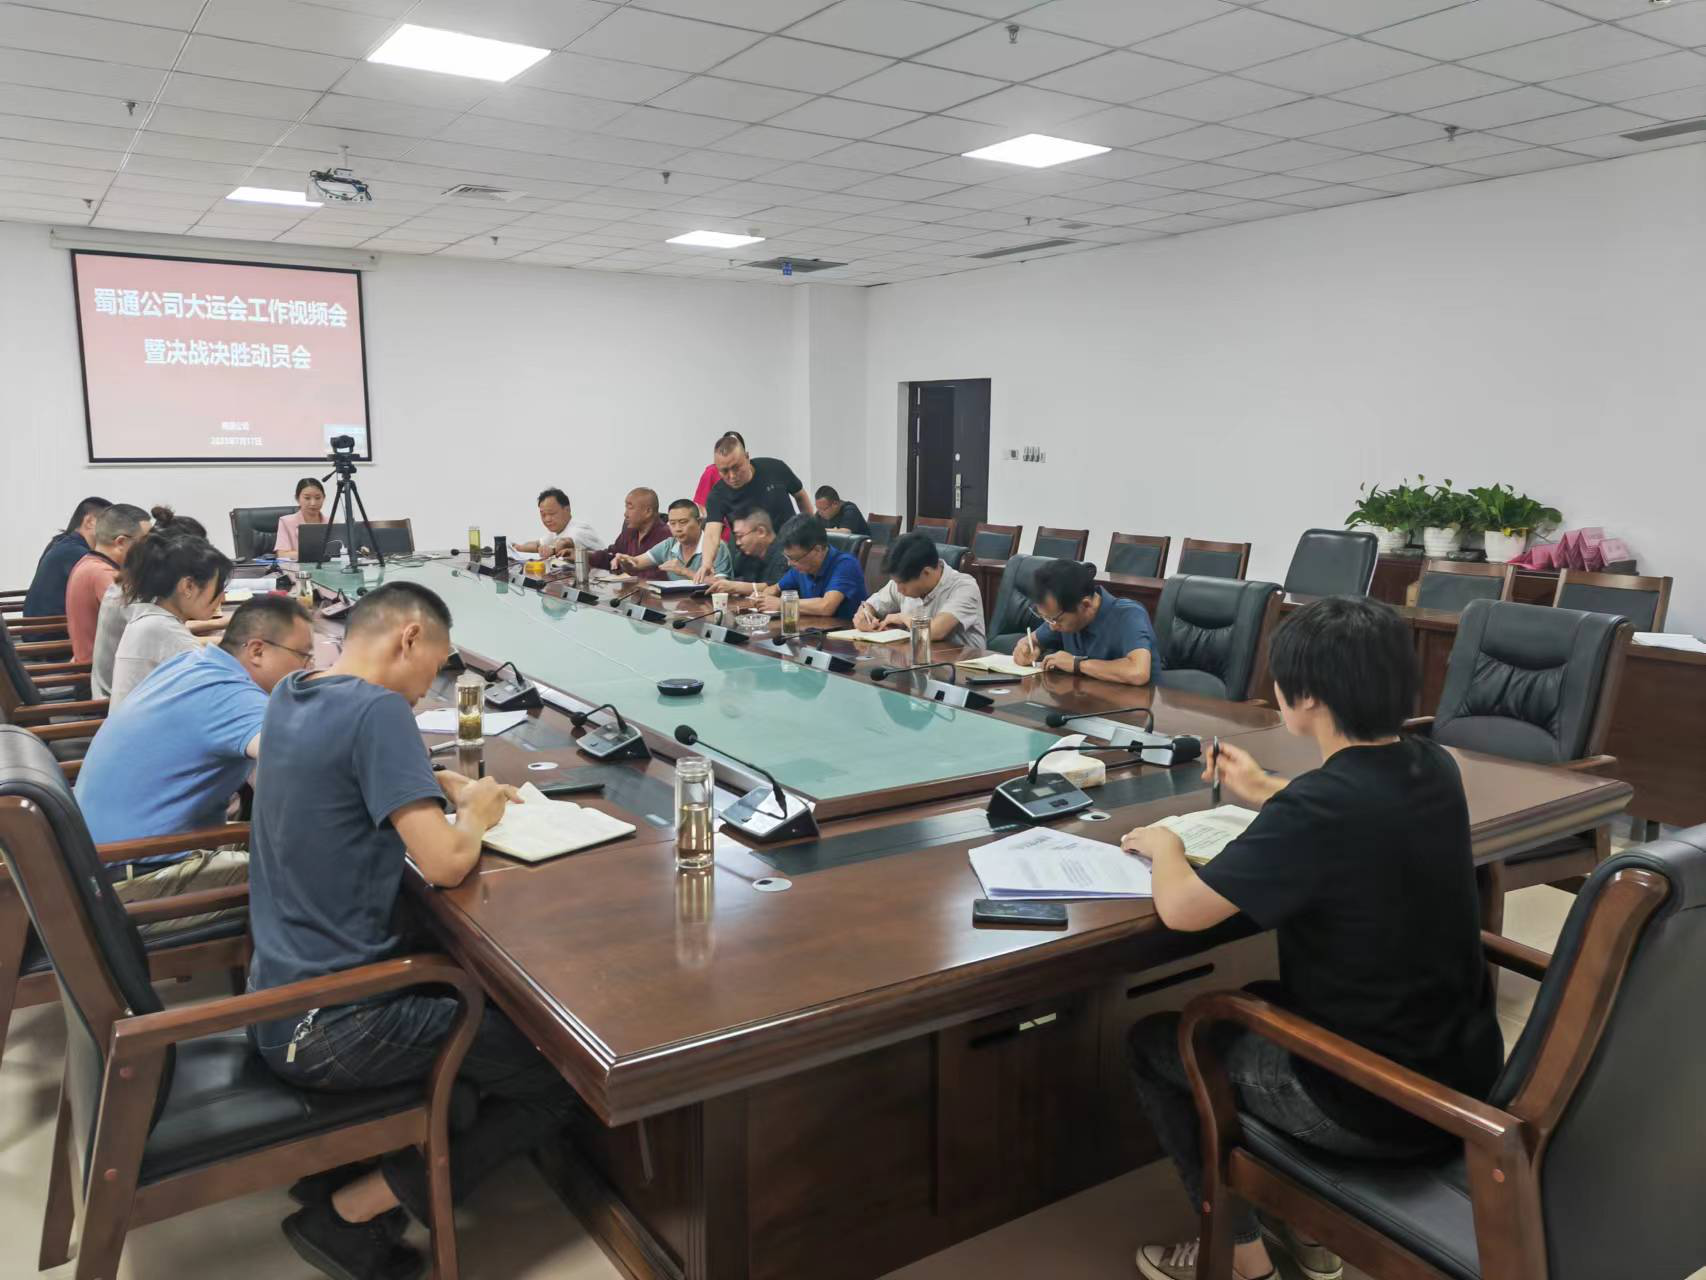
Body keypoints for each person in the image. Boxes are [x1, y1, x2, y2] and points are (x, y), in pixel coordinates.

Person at [1117, 597, 1503, 1280]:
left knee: (1160, 1042)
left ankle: (1241, 1258)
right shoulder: (1433, 765)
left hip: (1369, 1102)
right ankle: (1307, 1234)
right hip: (1460, 1075)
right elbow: (1353, 811)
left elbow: (1181, 910)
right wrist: (1264, 786)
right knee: (1259, 996)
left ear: (1309, 699)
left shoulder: (1318, 808)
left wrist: (1165, 843)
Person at [244, 582, 582, 1280]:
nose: (433, 684)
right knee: (557, 1073)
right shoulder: (379, 712)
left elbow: (339, 769)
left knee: (470, 1001)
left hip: (276, 997)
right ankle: (350, 1213)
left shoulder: (294, 692)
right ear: (409, 639)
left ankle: (365, 1163)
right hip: (334, 1025)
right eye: (438, 662)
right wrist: (477, 811)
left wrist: (437, 781)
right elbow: (447, 863)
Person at [74, 597, 314, 940]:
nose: (307, 669)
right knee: (310, 873)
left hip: (99, 865)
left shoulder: (191, 663)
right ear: (257, 650)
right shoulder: (232, 695)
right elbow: (308, 761)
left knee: (283, 838)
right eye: (303, 656)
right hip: (134, 882)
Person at [91, 511, 221, 700]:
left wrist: (222, 625)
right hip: (109, 698)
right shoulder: (134, 597)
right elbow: (170, 640)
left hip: (129, 694)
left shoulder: (138, 584)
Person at [107, 532, 234, 707]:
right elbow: (214, 693)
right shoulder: (163, 630)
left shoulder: (152, 619)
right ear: (188, 586)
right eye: (218, 589)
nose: (223, 598)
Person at [1011, 559, 1158, 686]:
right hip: (1086, 700)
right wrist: (1028, 649)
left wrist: (1077, 664)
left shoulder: (1129, 615)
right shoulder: (1062, 616)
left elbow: (1138, 672)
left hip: (1137, 705)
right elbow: (1029, 641)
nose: (1052, 627)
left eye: (1055, 619)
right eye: (1047, 618)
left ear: (1085, 605)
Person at [694, 434, 810, 581]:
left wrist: (811, 529)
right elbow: (711, 533)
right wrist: (707, 563)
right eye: (724, 471)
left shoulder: (775, 469)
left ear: (747, 457)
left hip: (790, 551)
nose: (732, 476)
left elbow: (800, 496)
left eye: (736, 467)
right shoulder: (717, 495)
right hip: (752, 559)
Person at [854, 531, 985, 648]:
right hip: (916, 658)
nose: (898, 589)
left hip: (960, 663)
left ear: (926, 572)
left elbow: (934, 631)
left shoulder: (964, 587)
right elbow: (871, 604)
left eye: (902, 584)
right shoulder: (903, 578)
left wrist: (902, 617)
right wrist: (864, 615)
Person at [64, 503, 151, 663]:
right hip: (99, 672)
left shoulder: (88, 563)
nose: (150, 549)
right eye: (146, 542)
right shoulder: (103, 574)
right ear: (121, 542)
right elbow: (142, 626)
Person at [763, 514, 868, 622]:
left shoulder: (846, 564)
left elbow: (826, 606)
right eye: (787, 557)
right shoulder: (800, 567)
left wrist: (782, 604)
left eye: (794, 558)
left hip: (844, 630)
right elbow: (775, 588)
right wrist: (762, 599)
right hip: (811, 629)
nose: (789, 563)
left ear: (817, 550)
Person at [22, 495, 111, 617]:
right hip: (52, 627)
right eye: (111, 524)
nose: (115, 532)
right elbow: (111, 593)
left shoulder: (59, 543)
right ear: (90, 522)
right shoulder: (76, 553)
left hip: (37, 625)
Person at [613, 498, 730, 580]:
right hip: (677, 605)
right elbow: (636, 563)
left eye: (683, 522)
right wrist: (624, 560)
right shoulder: (669, 545)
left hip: (709, 606)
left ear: (699, 522)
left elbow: (720, 585)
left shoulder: (717, 546)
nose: (677, 529)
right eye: (672, 523)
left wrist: (684, 571)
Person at [707, 507, 788, 599]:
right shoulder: (747, 555)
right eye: (736, 537)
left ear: (761, 532)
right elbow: (733, 579)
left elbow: (778, 587)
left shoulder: (785, 554)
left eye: (740, 536)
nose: (737, 543)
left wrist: (736, 587)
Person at [587, 487, 669, 575]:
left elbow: (659, 574)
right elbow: (612, 557)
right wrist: (586, 556)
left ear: (648, 512)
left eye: (630, 508)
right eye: (626, 508)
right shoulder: (630, 532)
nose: (625, 514)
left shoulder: (666, 537)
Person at [513, 487, 602, 557]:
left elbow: (565, 543)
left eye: (552, 513)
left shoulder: (581, 529)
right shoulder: (555, 533)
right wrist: (517, 547)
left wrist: (552, 550)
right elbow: (537, 544)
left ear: (567, 510)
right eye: (543, 515)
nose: (547, 519)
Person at [693, 430, 741, 542]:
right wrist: (716, 522)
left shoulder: (747, 472)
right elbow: (702, 506)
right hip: (722, 534)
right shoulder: (711, 472)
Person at [273, 477, 328, 558]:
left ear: (324, 498)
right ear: (297, 498)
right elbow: (282, 554)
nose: (313, 503)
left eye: (318, 498)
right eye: (307, 498)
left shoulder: (331, 522)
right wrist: (315, 554)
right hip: (296, 566)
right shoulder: (286, 522)